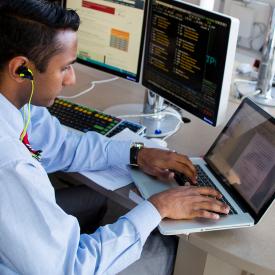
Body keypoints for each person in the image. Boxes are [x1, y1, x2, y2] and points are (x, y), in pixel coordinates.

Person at [0, 1, 230, 274]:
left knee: (98, 201)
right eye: (64, 68)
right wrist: (159, 206)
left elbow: (59, 145)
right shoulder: (11, 164)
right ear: (20, 69)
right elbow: (70, 268)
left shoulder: (16, 102)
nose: (71, 79)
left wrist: (136, 153)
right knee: (169, 247)